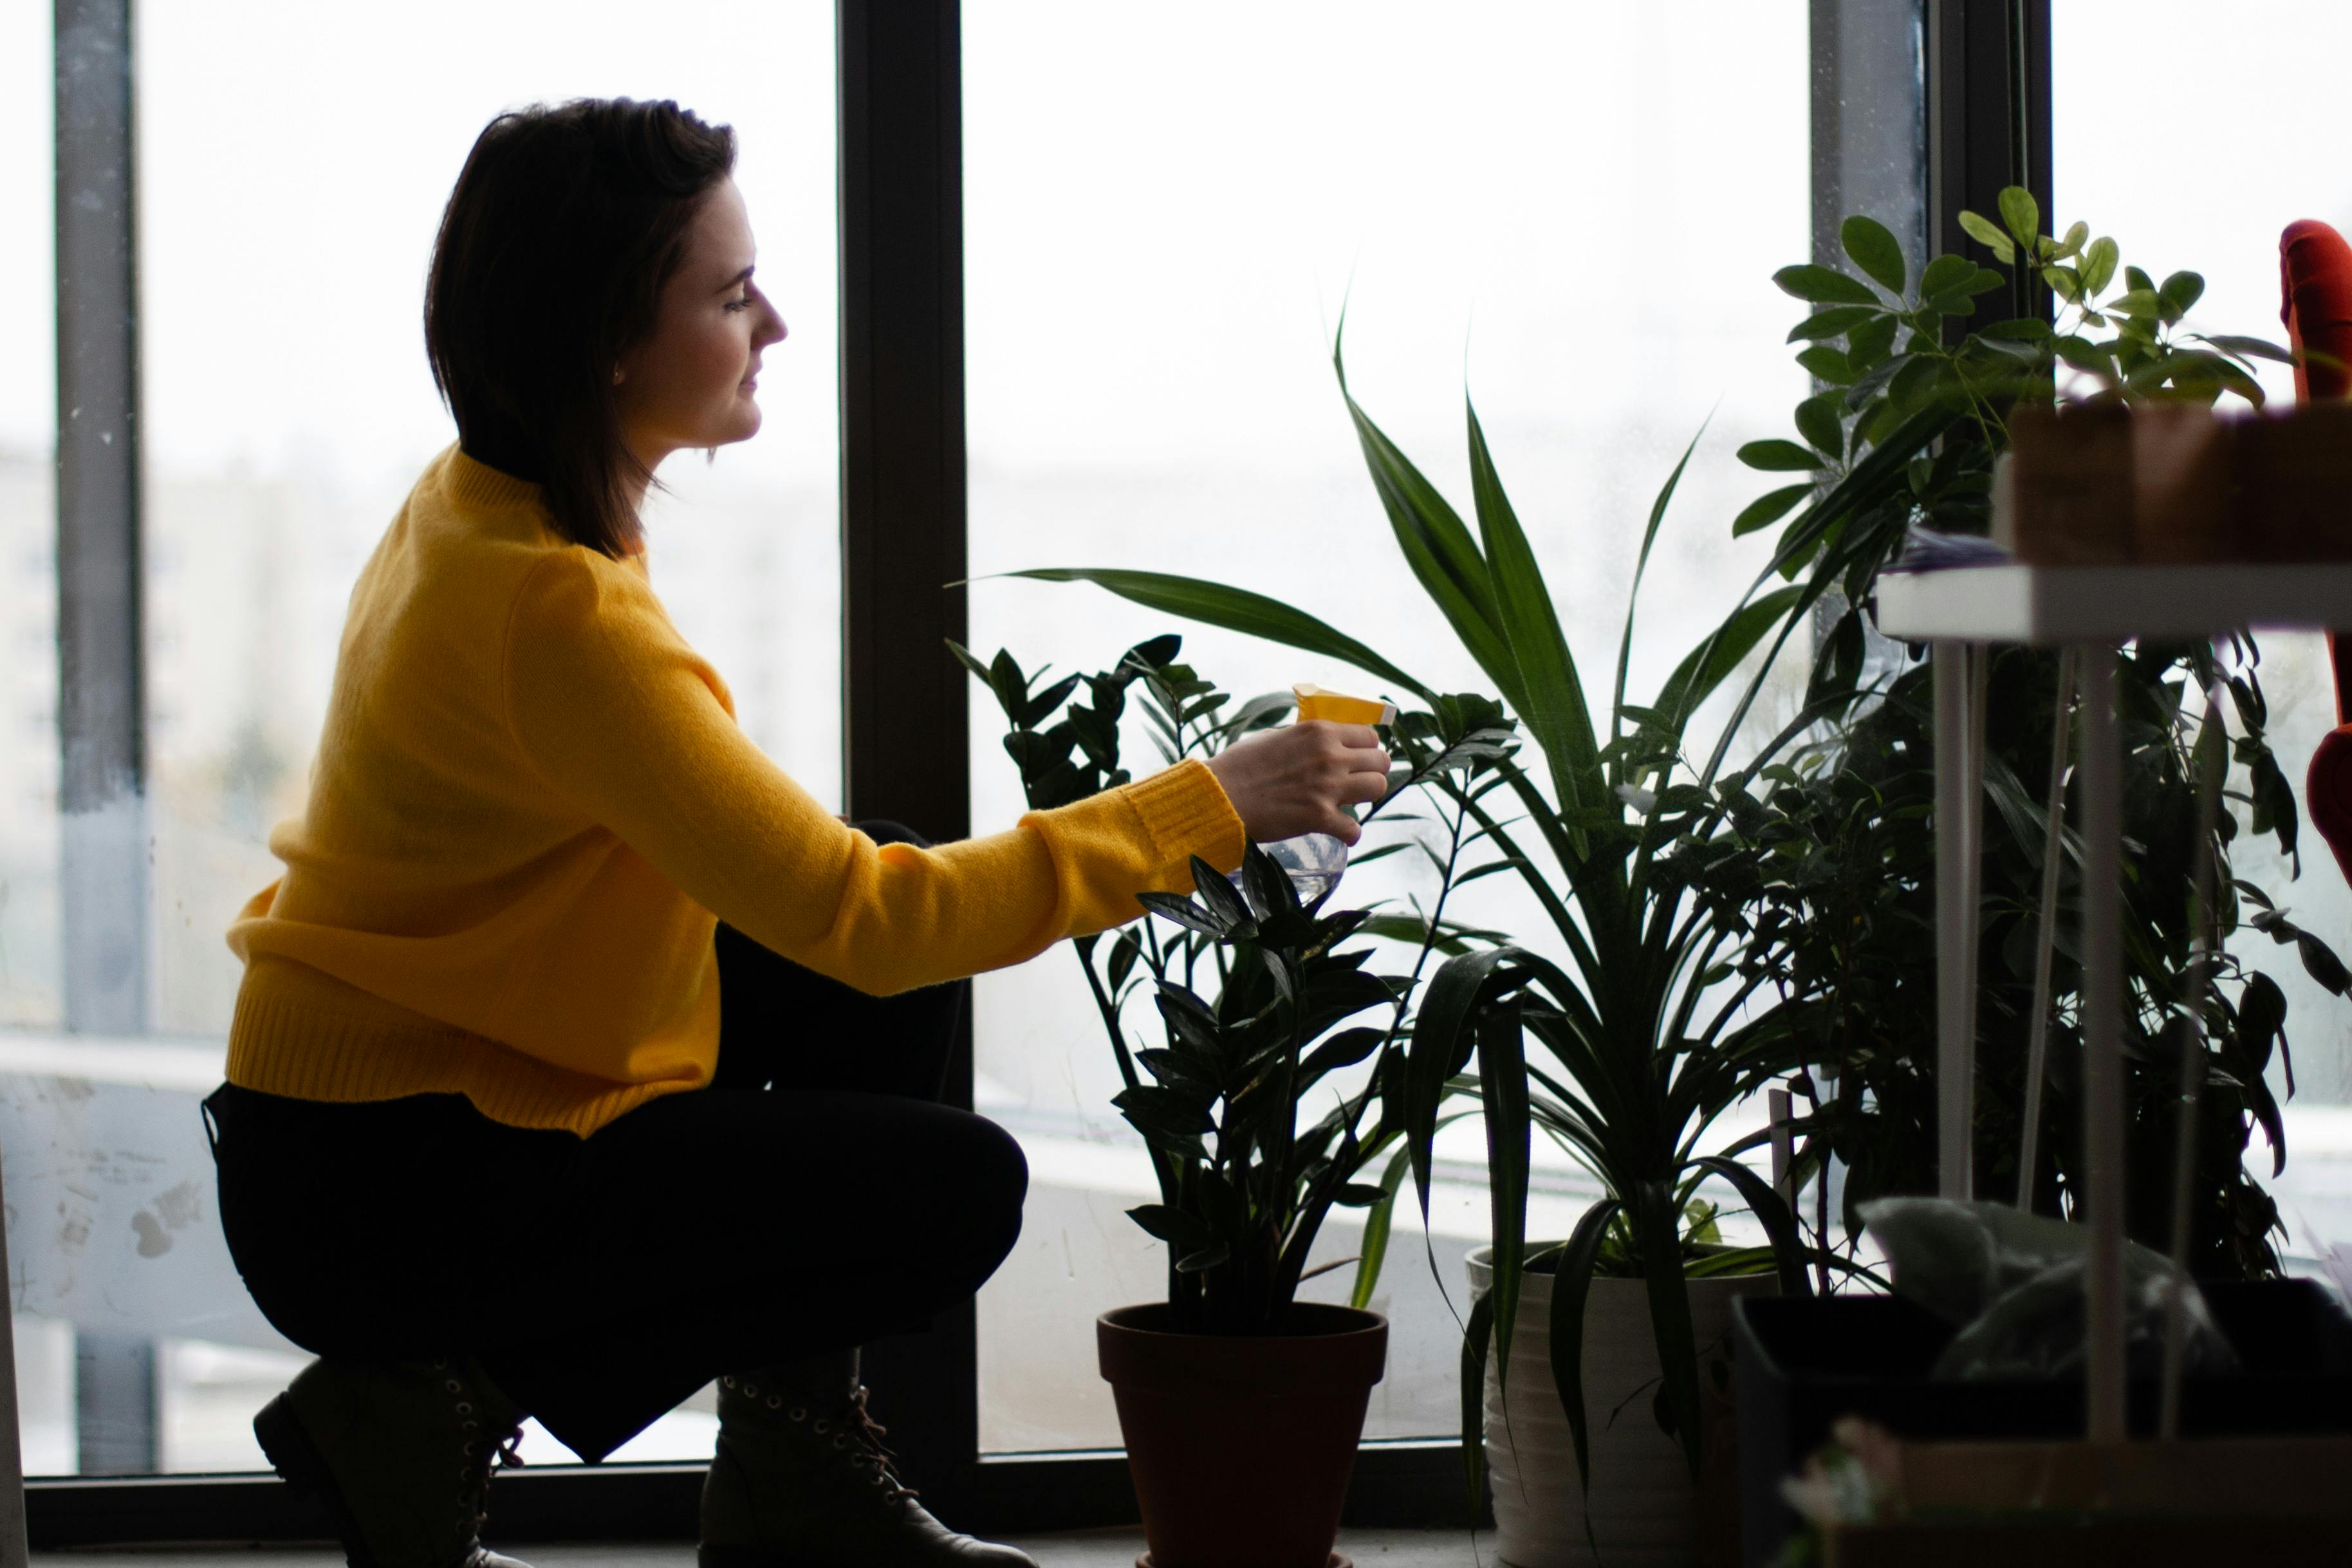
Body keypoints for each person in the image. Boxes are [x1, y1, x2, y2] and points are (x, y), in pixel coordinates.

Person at [199, 97, 1391, 1568]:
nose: (775, 321)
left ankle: (792, 1477)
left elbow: (826, 907)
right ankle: (430, 1403)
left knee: (866, 883)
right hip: (396, 1183)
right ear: (606, 344)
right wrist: (1215, 803)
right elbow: (875, 922)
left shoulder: (482, 505)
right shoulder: (554, 610)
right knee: (950, 1192)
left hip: (372, 1123)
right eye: (726, 290)